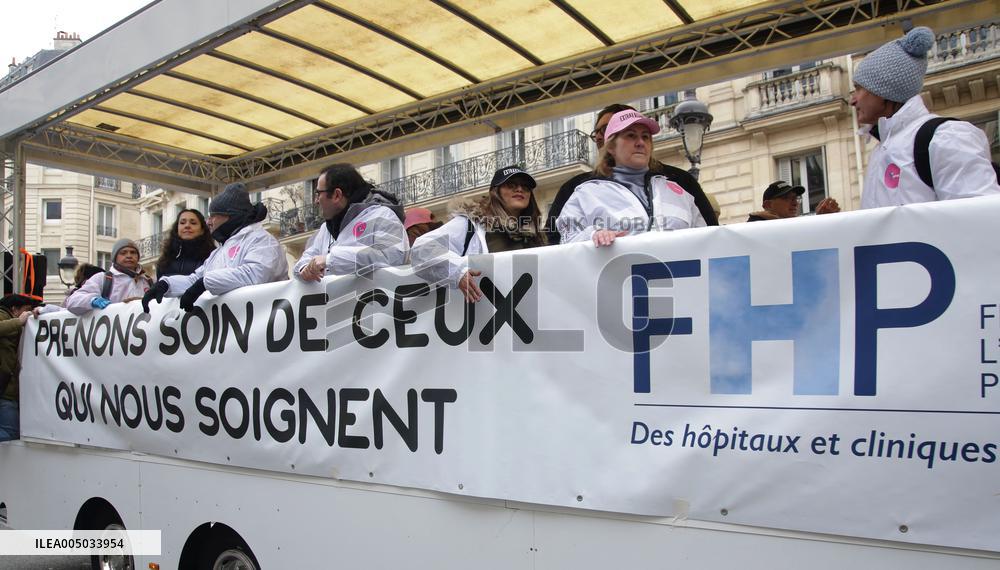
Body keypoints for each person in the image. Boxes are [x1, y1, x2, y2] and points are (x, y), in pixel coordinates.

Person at [851, 26, 1000, 209]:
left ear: (884, 89)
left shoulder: (945, 138)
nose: (853, 99)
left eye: (859, 88)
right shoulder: (882, 149)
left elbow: (981, 219)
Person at [544, 103, 718, 244]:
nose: (640, 142)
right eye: (630, 135)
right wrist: (591, 236)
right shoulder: (584, 192)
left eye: (645, 136)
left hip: (679, 284)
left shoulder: (678, 187)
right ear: (610, 146)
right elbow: (561, 243)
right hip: (616, 285)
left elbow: (709, 239)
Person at [142, 183, 288, 312]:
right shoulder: (220, 251)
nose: (208, 222)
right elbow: (196, 278)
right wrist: (165, 285)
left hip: (264, 328)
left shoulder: (262, 240)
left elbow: (255, 274)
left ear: (230, 216)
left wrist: (205, 283)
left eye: (213, 216)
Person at [411, 166, 546, 302]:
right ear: (496, 192)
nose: (520, 189)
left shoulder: (538, 237)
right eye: (511, 185)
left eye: (526, 187)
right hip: (486, 313)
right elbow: (423, 248)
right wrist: (458, 272)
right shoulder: (471, 224)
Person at [294, 164, 407, 282]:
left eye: (318, 193)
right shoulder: (326, 228)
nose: (316, 201)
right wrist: (305, 268)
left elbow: (392, 256)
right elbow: (306, 259)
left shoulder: (382, 216)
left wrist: (330, 260)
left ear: (337, 195)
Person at [65, 239, 154, 315]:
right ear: (115, 258)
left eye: (133, 252)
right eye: (123, 253)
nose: (129, 256)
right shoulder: (102, 278)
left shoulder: (149, 281)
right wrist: (92, 300)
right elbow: (72, 301)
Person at [0, 293, 43, 442]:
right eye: (26, 310)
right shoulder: (3, 316)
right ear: (14, 309)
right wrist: (19, 322)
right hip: (5, 390)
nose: (28, 314)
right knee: (10, 432)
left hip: (6, 387)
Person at [156, 209, 217, 278]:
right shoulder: (165, 260)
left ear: (202, 230)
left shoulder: (212, 256)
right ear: (177, 229)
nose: (187, 226)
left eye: (193, 223)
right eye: (182, 223)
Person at [747, 181, 840, 221]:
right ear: (768, 205)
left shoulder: (793, 226)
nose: (795, 203)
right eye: (787, 198)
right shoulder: (753, 227)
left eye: (796, 198)